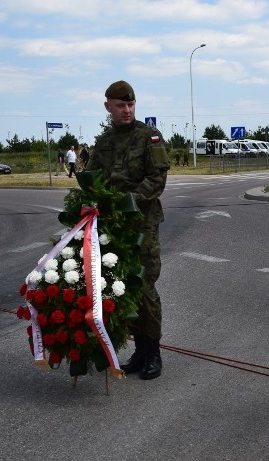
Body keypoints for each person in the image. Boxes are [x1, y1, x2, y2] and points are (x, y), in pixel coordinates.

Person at [85, 79, 170, 380]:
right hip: (113, 227)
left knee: (144, 286)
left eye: (131, 105)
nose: (127, 110)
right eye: (120, 105)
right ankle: (138, 350)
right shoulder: (104, 142)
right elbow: (91, 178)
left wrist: (128, 201)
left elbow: (157, 180)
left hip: (142, 225)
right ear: (107, 106)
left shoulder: (150, 137)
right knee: (122, 287)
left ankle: (153, 352)